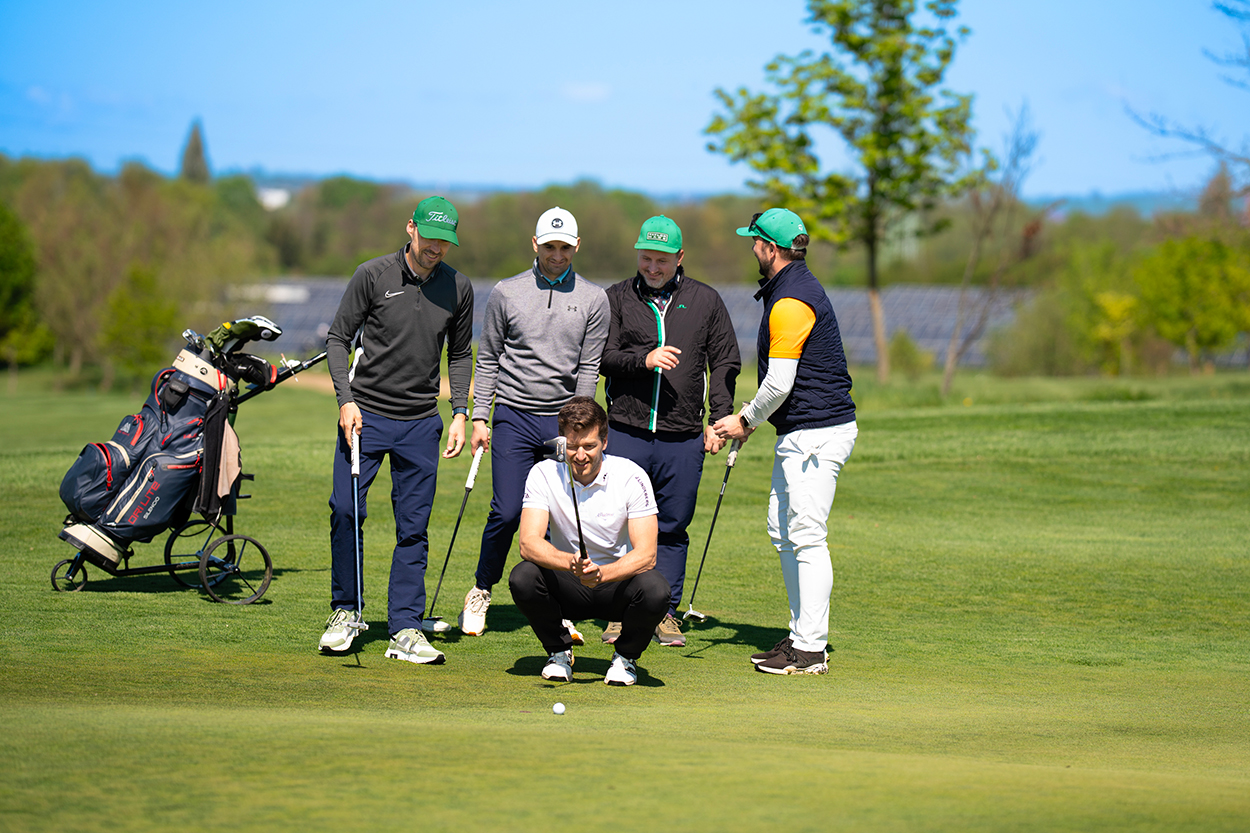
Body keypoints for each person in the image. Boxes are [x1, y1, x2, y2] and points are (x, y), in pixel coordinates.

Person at [318, 195, 474, 665]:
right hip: (365, 416)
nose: (436, 249)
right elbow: (337, 339)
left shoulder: (458, 287)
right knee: (345, 511)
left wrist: (461, 412)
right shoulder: (373, 275)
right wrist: (346, 402)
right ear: (411, 229)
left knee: (413, 528)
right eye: (430, 238)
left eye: (445, 242)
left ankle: (405, 628)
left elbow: (461, 353)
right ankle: (346, 612)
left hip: (421, 423)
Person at [712, 208, 857, 676]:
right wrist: (756, 422)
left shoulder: (792, 299)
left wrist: (744, 419)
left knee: (808, 536)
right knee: (783, 529)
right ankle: (800, 635)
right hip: (802, 431)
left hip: (816, 433)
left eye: (754, 242)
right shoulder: (789, 289)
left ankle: (811, 649)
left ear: (769, 249)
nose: (751, 248)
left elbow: (779, 383)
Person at [458, 207, 609, 637]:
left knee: (563, 516)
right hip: (512, 415)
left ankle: (558, 600)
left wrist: (580, 428)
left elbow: (588, 367)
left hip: (563, 422)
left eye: (564, 247)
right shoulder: (507, 292)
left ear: (576, 246)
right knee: (506, 511)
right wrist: (481, 417)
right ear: (535, 245)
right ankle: (481, 590)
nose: (556, 255)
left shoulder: (595, 299)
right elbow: (487, 359)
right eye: (549, 247)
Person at [599, 215, 741, 647]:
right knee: (620, 525)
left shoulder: (706, 300)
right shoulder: (617, 298)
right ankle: (619, 612)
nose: (653, 268)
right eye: (646, 259)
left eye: (662, 260)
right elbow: (602, 356)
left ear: (680, 258)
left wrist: (720, 420)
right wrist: (643, 359)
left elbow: (725, 363)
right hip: (626, 430)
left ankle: (665, 612)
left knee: (673, 526)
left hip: (682, 435)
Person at [509, 396, 668, 686]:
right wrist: (571, 563)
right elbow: (528, 543)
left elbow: (647, 554)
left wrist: (603, 574)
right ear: (561, 442)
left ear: (604, 442)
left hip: (615, 584)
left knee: (656, 589)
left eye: (589, 446)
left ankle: (625, 657)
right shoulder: (543, 473)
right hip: (567, 580)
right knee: (523, 576)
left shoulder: (632, 475)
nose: (580, 455)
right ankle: (559, 651)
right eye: (571, 446)